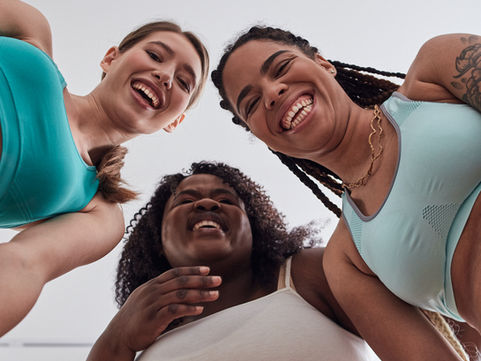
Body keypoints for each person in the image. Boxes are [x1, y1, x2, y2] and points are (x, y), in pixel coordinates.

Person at [211, 26, 481, 360]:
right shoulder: (346, 261)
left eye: (280, 68)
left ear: (324, 64)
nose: (272, 93)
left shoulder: (433, 74)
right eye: (251, 103)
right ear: (261, 136)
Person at [0, 0, 209, 336]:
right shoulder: (30, 30)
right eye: (155, 56)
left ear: (176, 121)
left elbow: (23, 264)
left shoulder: (99, 213)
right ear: (111, 58)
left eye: (184, 82)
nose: (166, 76)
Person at [86, 161, 384, 361]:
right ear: (158, 242)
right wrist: (118, 338)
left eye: (226, 200)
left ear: (255, 230)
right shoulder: (142, 343)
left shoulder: (308, 274)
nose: (207, 203)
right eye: (186, 201)